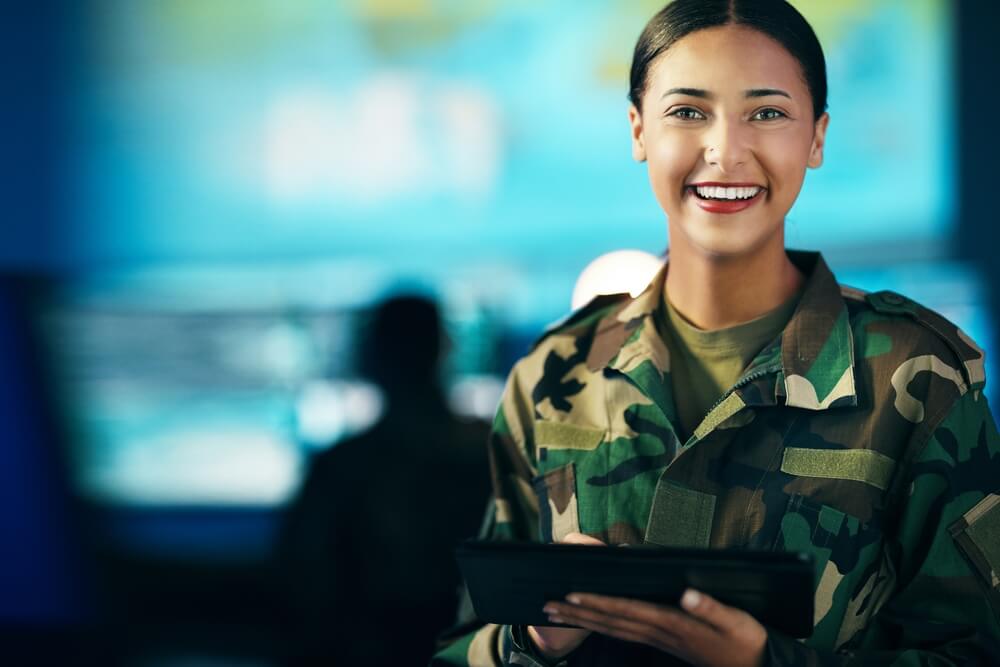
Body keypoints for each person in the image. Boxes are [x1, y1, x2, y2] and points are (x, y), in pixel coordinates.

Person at [431, 1, 1000, 665]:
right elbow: (466, 643)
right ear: (638, 129)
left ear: (816, 137)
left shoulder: (917, 374)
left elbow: (975, 653)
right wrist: (535, 637)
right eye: (687, 111)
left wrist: (765, 661)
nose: (725, 151)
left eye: (767, 112)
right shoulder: (557, 374)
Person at [277, 295, 491, 666]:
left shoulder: (343, 466)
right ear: (445, 349)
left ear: (371, 357)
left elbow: (306, 582)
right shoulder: (492, 454)